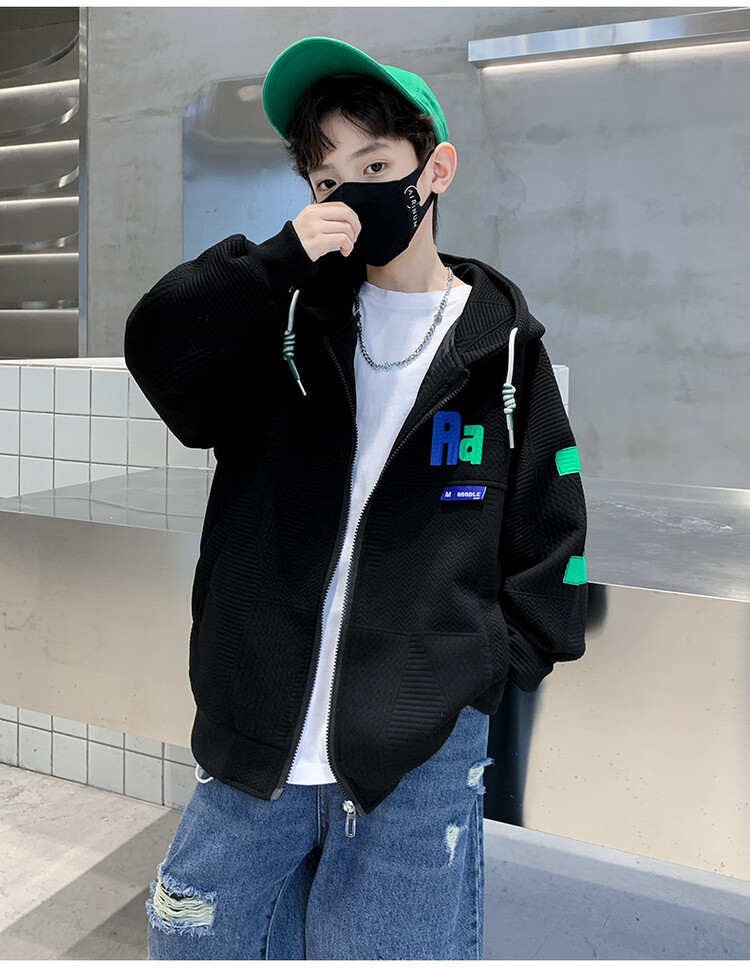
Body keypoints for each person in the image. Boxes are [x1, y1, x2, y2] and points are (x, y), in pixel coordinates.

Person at [123, 36, 588, 961]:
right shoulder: (287, 325)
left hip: (417, 754)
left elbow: (553, 533)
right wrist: (274, 262)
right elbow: (159, 349)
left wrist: (475, 675)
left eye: (376, 167)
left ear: (435, 169)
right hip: (256, 735)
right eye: (329, 179)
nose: (352, 194)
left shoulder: (502, 350)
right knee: (194, 944)